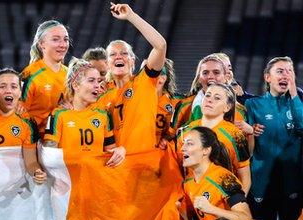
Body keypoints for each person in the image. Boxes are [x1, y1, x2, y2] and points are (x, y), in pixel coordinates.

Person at [245, 57, 303, 220]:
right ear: (267, 77)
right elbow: (246, 147)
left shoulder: (298, 104)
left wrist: (294, 94)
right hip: (262, 181)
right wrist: (250, 132)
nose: (285, 75)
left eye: (289, 71)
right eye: (280, 71)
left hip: (292, 181)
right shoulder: (253, 105)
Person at [103, 3, 166, 153]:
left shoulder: (145, 81)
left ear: (132, 60)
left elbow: (160, 46)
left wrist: (131, 16)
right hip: (114, 168)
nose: (119, 56)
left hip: (143, 168)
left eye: (124, 53)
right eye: (113, 54)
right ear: (106, 64)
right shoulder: (100, 94)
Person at [44, 59, 125, 167]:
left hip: (94, 180)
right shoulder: (58, 115)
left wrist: (120, 151)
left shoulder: (103, 115)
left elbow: (111, 151)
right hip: (68, 181)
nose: (97, 85)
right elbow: (49, 157)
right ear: (75, 85)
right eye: (91, 80)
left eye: (98, 81)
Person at [179, 83, 251, 194]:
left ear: (227, 107)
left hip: (221, 201)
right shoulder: (184, 132)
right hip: (189, 198)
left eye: (217, 98)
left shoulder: (235, 135)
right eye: (207, 95)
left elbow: (245, 177)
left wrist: (238, 204)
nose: (209, 100)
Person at [171, 54, 251, 135]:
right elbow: (171, 137)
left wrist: (251, 132)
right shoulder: (184, 105)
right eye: (205, 73)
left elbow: (243, 145)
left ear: (226, 77)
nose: (210, 76)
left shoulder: (240, 110)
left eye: (216, 72)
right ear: (199, 78)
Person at [0, 68, 45, 183]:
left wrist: (37, 172)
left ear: (20, 92)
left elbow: (30, 162)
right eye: (2, 86)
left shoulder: (27, 122)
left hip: (14, 191)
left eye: (14, 87)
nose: (8, 91)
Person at [21, 20, 69, 134]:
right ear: (41, 44)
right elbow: (19, 113)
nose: (62, 45)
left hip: (63, 139)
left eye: (65, 39)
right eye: (55, 39)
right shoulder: (30, 74)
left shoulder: (70, 74)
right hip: (34, 140)